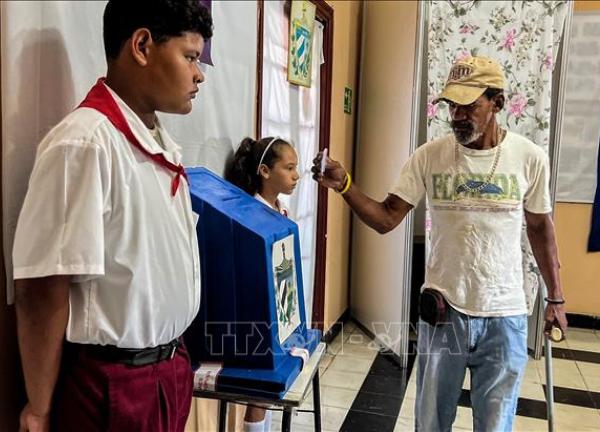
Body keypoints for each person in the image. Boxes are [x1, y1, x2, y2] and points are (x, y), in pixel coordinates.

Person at [312, 56, 568, 431]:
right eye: (452, 105)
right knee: (430, 423)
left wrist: (556, 298)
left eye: (470, 105)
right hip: (444, 312)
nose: (458, 115)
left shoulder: (529, 158)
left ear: (496, 102)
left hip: (505, 314)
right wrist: (345, 185)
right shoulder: (430, 156)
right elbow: (386, 218)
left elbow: (540, 228)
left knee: (495, 426)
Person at [12, 1, 212, 431]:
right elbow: (43, 287)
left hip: (168, 369)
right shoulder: (85, 144)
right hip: (116, 387)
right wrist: (39, 407)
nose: (199, 75)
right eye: (190, 57)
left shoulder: (155, 145)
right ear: (141, 45)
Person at [226, 136, 300, 432]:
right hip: (259, 313)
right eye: (289, 168)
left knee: (269, 395)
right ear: (265, 171)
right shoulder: (250, 214)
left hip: (281, 308)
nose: (296, 176)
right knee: (259, 394)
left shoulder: (280, 209)